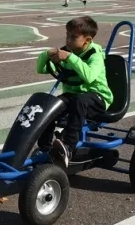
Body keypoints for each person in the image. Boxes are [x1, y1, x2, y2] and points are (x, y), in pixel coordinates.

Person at [35, 16, 113, 169]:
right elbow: (42, 69)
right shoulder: (68, 52)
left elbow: (89, 76)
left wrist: (70, 58)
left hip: (98, 98)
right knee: (51, 106)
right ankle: (45, 147)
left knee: (80, 101)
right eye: (67, 35)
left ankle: (68, 147)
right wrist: (46, 55)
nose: (68, 40)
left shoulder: (95, 55)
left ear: (87, 40)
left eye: (73, 37)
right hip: (74, 97)